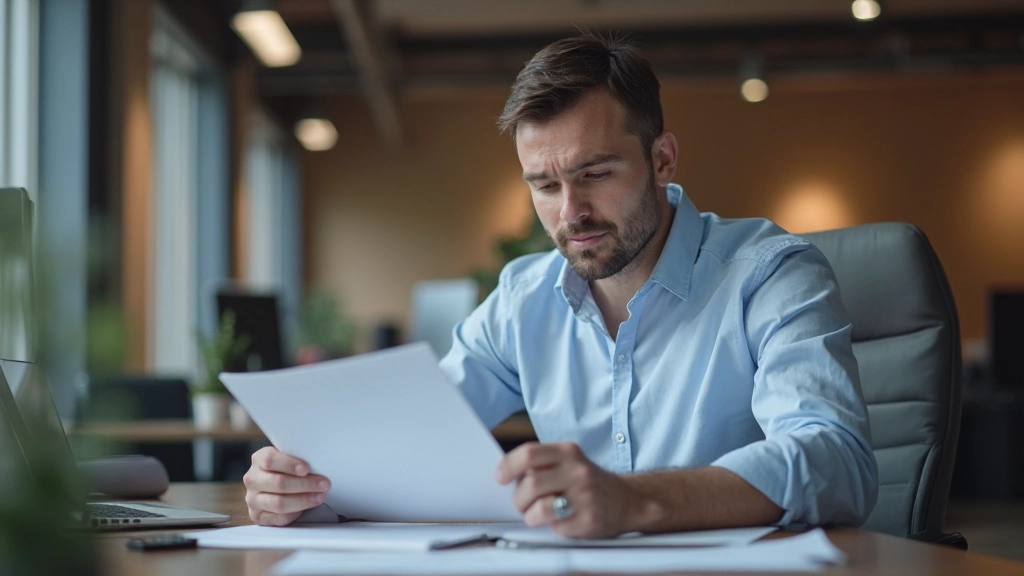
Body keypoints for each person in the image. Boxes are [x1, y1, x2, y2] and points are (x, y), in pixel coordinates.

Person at [243, 33, 878, 538]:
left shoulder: (770, 275)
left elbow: (836, 461)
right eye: (544, 186)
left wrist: (634, 500)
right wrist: (306, 489)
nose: (569, 212)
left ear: (662, 159)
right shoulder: (523, 298)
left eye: (595, 173)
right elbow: (414, 440)